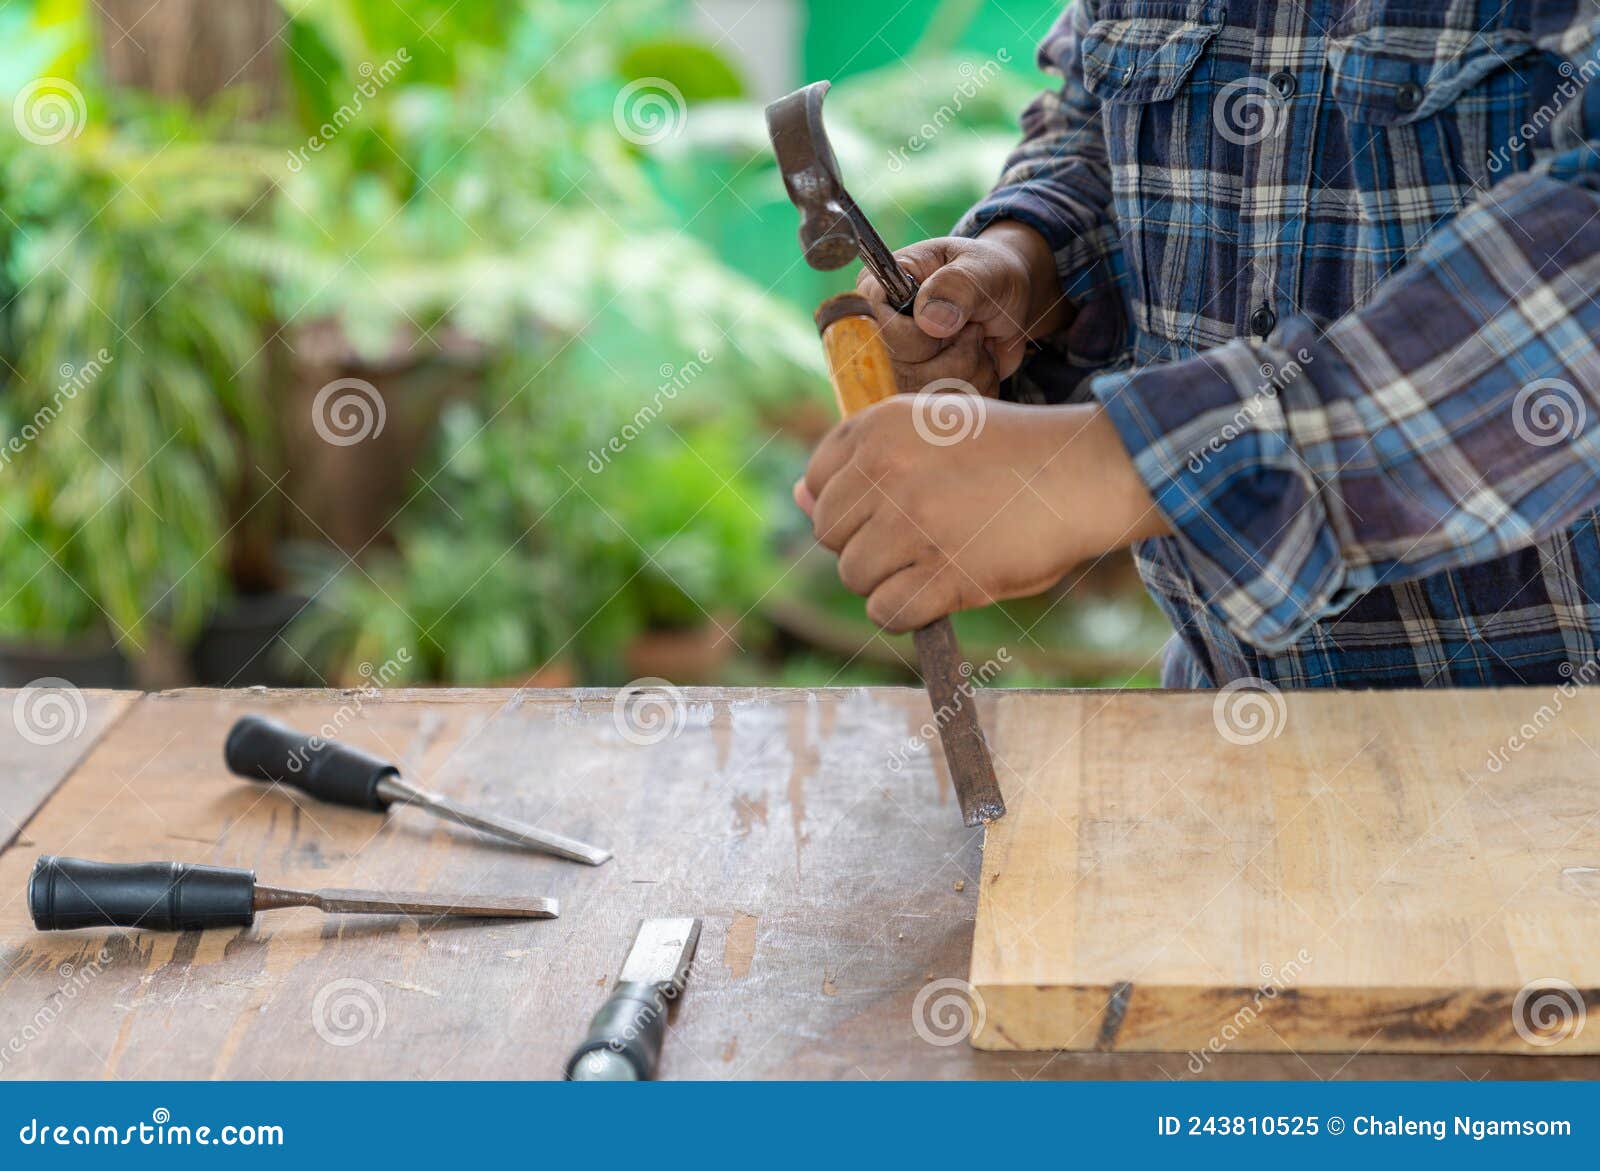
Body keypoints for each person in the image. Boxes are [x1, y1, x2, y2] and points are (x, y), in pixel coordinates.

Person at [797, 0, 1600, 688]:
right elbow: (1097, 121)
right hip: (1229, 717)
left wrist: (1112, 466)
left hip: (1552, 783)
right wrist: (1026, 262)